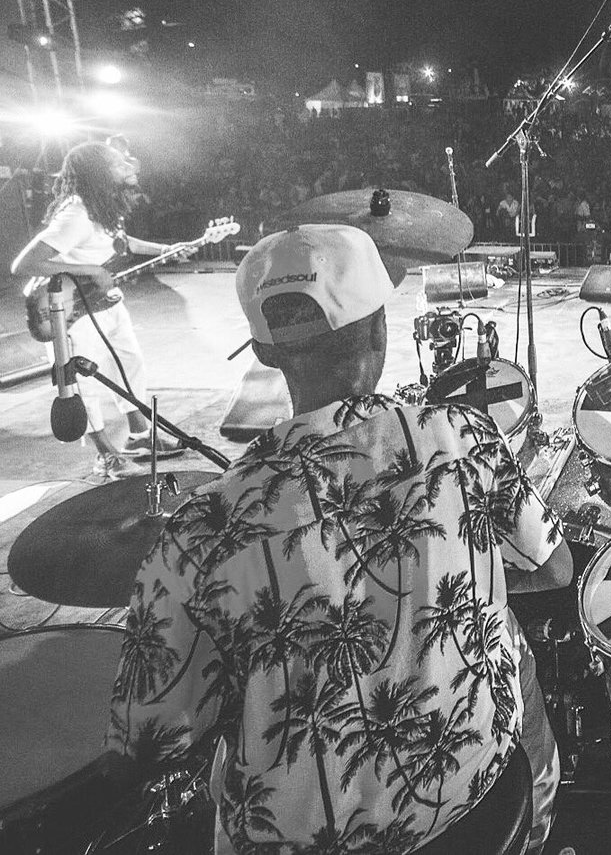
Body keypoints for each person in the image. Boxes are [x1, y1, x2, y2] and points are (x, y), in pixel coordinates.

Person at [104, 224, 571, 853]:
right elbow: (554, 568)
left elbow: (146, 737)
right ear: (380, 328)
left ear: (265, 353)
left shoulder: (201, 532)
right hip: (478, 800)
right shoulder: (463, 439)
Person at [11, 139, 184, 476]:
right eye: (120, 163)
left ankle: (140, 436)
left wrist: (166, 248)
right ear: (100, 173)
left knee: (129, 365)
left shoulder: (102, 205)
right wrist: (91, 271)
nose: (130, 165)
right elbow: (25, 263)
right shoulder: (77, 214)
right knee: (83, 384)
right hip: (73, 311)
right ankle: (106, 453)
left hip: (105, 302)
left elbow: (121, 243)